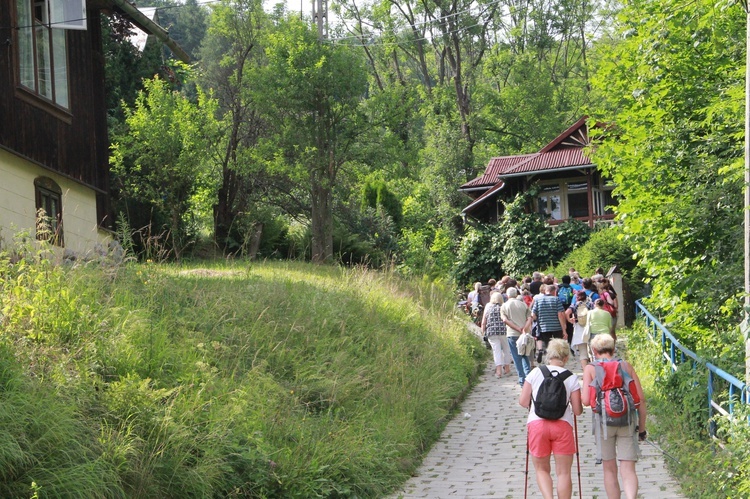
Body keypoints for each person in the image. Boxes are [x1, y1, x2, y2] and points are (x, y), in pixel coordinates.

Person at [582, 334, 647, 499]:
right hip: (627, 421)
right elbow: (640, 399)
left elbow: (585, 401)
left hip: (603, 424)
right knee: (628, 468)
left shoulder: (590, 369)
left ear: (594, 351)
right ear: (613, 349)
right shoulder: (625, 366)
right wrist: (642, 429)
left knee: (609, 469)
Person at [519, 339, 583, 499]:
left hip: (537, 425)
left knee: (541, 470)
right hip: (562, 427)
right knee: (564, 473)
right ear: (566, 357)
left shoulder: (535, 373)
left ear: (549, 355)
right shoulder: (571, 378)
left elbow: (523, 402)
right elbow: (577, 410)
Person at [501, 287, 533, 386]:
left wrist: (516, 328)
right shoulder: (523, 304)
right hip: (524, 333)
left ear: (507, 295)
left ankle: (522, 379)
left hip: (512, 334)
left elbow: (505, 320)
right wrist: (524, 328)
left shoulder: (504, 306)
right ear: (516, 294)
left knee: (516, 357)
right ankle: (528, 377)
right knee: (525, 355)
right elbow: (529, 318)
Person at [531, 283, 568, 363]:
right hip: (556, 327)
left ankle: (550, 361)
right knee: (557, 345)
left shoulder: (538, 300)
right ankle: (558, 360)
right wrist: (564, 329)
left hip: (544, 327)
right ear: (553, 291)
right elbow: (560, 315)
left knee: (548, 345)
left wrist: (539, 318)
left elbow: (533, 315)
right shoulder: (556, 299)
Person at [481, 292, 512, 378]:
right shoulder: (504, 306)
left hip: (492, 331)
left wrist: (483, 332)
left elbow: (484, 321)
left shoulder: (488, 306)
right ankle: (507, 369)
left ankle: (498, 372)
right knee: (506, 350)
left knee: (496, 351)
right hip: (504, 331)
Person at [566, 290, 593, 369]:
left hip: (579, 329)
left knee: (583, 353)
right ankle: (593, 370)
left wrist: (570, 319)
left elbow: (566, 313)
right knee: (591, 351)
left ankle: (586, 372)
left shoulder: (575, 305)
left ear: (577, 297)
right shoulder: (590, 304)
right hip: (589, 327)